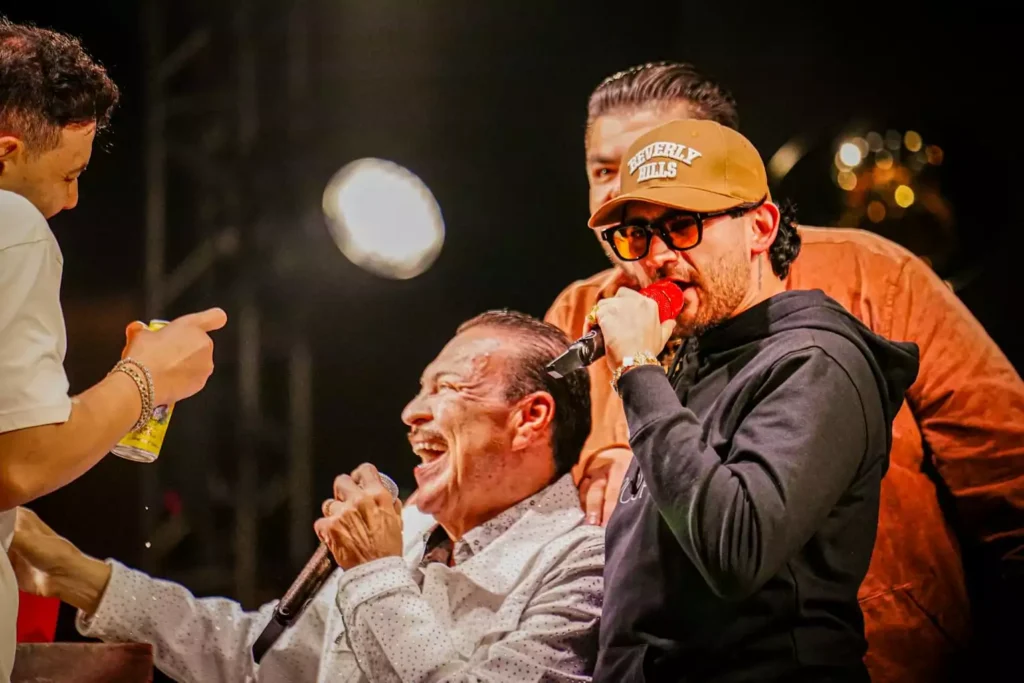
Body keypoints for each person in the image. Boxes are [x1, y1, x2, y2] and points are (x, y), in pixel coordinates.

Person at [546, 61, 1024, 681]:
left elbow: (1007, 470)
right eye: (605, 172)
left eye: (680, 213)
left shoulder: (867, 279)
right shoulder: (582, 314)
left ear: (759, 224)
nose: (628, 192)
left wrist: (638, 374)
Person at [10, 311, 604, 683]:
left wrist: (375, 573)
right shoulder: (410, 538)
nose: (410, 412)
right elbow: (258, 658)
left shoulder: (584, 563)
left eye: (446, 388)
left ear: (530, 418)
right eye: (420, 388)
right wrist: (78, 575)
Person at [582, 117, 918, 681]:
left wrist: (638, 369)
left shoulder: (816, 361)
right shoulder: (690, 359)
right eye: (638, 233)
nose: (656, 256)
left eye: (682, 225)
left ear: (760, 227)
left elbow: (736, 551)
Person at [0, 17, 226, 683]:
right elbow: (20, 462)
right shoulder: (12, 222)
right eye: (69, 175)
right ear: (6, 152)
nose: (72, 201)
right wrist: (144, 378)